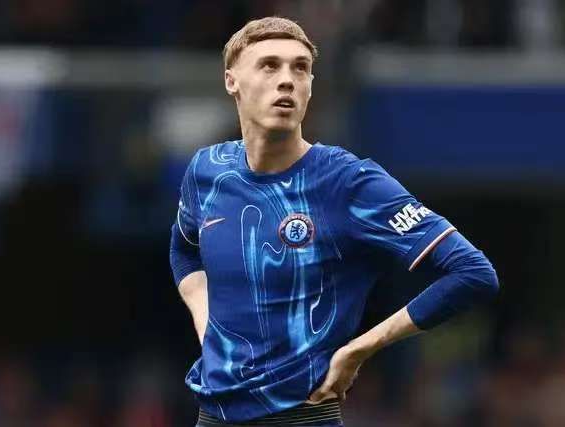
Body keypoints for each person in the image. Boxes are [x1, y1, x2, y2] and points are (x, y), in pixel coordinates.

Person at [170, 16, 499, 427]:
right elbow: (184, 250)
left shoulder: (349, 182)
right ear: (231, 81)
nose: (287, 80)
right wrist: (206, 323)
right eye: (269, 65)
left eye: (300, 68)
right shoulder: (207, 169)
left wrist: (360, 348)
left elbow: (473, 272)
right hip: (212, 417)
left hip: (303, 417)